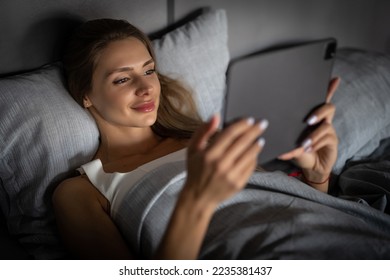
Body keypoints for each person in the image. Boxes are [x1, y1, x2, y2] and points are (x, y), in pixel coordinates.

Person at [52, 18, 339, 260]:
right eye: (122, 79)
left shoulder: (208, 141)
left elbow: (293, 214)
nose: (147, 88)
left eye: (149, 70)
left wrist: (316, 178)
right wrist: (196, 203)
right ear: (86, 95)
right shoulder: (82, 192)